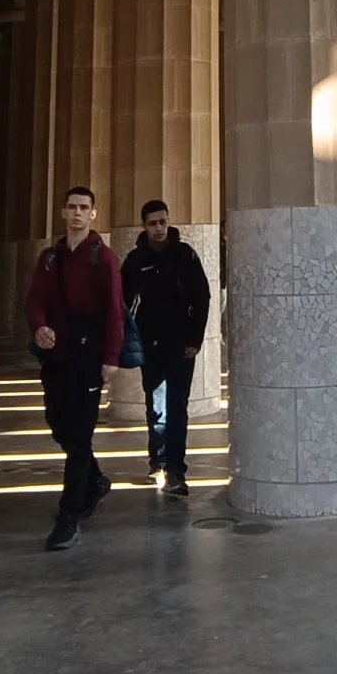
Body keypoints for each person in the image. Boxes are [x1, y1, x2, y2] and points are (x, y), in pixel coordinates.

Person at [27, 185, 124, 551]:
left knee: (81, 436)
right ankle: (95, 479)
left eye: (84, 207)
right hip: (56, 355)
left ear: (93, 214)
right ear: (64, 213)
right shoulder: (49, 258)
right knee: (57, 423)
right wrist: (39, 326)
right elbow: (34, 299)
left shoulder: (104, 258)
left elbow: (115, 308)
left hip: (88, 355)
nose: (78, 213)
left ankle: (70, 512)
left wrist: (111, 357)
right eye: (72, 207)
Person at [124, 198, 211, 496]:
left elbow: (202, 297)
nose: (159, 228)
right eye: (152, 223)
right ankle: (157, 460)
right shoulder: (135, 261)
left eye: (163, 222)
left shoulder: (185, 256)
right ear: (144, 226)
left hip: (181, 345)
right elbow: (123, 303)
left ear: (169, 221)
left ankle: (176, 471)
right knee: (157, 406)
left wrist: (194, 340)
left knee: (177, 407)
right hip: (150, 345)